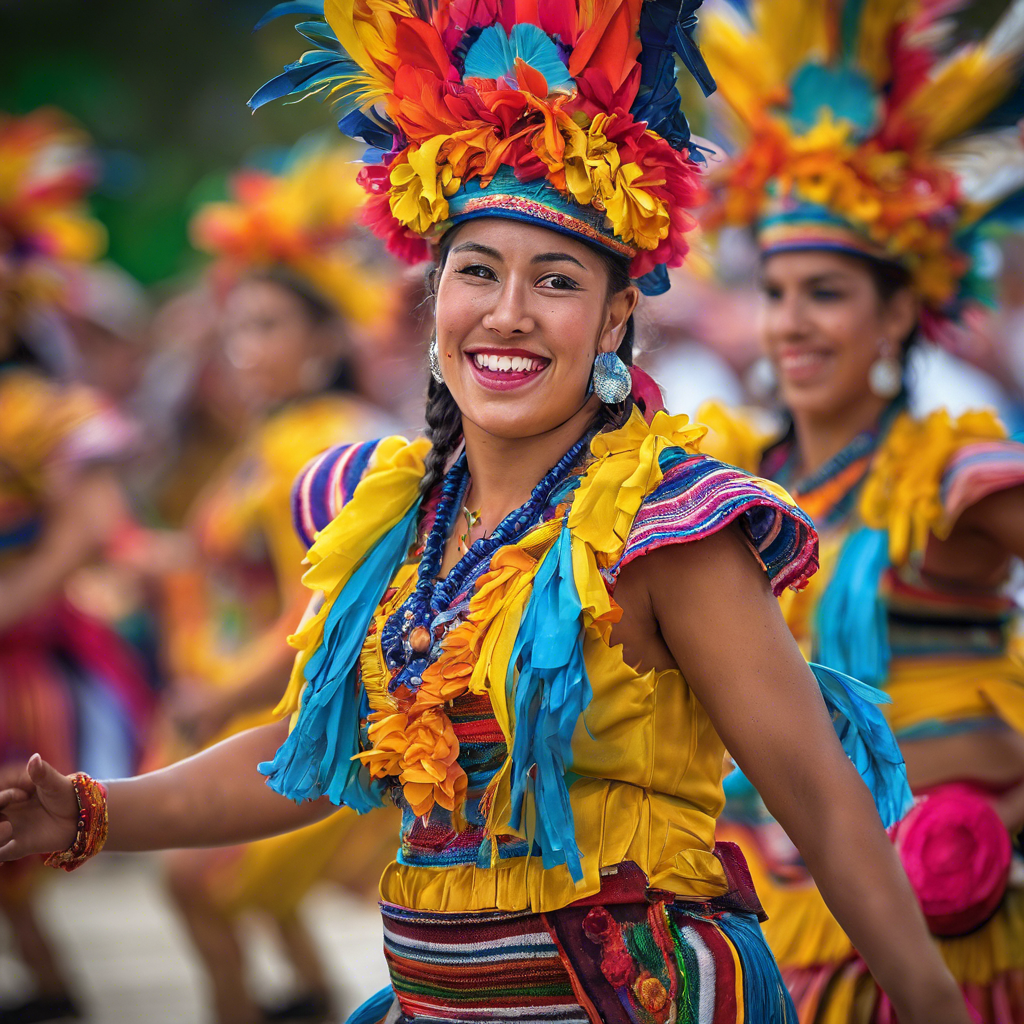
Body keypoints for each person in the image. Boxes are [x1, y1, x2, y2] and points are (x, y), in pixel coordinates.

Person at [0, 2, 972, 1022]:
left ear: (615, 316)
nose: (506, 313)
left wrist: (934, 1010)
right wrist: (91, 812)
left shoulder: (665, 526)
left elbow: (817, 797)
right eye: (476, 272)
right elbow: (312, 752)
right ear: (432, 301)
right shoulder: (391, 517)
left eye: (555, 280)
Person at [695, 1, 1024, 1019]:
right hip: (752, 925)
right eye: (778, 290)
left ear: (894, 312)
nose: (790, 321)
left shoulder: (944, 469)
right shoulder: (715, 479)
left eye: (825, 293)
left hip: (937, 922)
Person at [151, 148, 400, 1024]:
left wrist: (216, 695)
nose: (241, 350)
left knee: (194, 883)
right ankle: (307, 999)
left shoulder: (319, 441)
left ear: (326, 340)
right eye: (236, 327)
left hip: (293, 711)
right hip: (269, 701)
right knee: (237, 887)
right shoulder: (283, 437)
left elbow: (318, 608)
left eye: (264, 327)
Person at [0, 108, 153, 1023]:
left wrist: (13, 597)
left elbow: (94, 522)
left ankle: (54, 994)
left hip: (24, 667)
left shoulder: (37, 406)